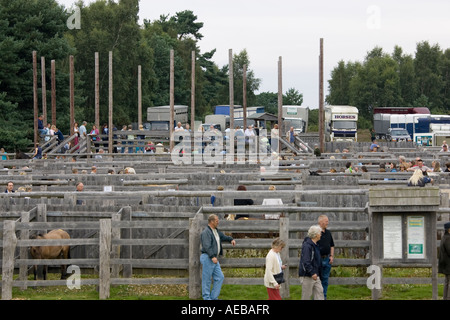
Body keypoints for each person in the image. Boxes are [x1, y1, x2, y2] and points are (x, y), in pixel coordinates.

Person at [200, 214, 236, 300]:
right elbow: (206, 246)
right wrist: (212, 256)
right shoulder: (206, 232)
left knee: (220, 277)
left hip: (214, 259)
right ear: (211, 221)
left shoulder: (215, 231)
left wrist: (231, 239)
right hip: (208, 258)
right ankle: (206, 298)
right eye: (216, 221)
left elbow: (223, 237)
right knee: (207, 279)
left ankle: (214, 297)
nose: (218, 222)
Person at [298, 225, 324, 300]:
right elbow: (306, 261)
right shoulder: (307, 246)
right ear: (316, 235)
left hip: (316, 275)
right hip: (307, 275)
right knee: (306, 296)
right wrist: (312, 272)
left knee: (320, 293)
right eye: (319, 233)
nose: (321, 234)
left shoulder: (316, 245)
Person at [317, 215, 334, 300]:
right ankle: (317, 297)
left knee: (325, 280)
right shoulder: (316, 233)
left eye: (327, 221)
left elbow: (332, 245)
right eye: (326, 221)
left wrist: (331, 256)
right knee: (317, 280)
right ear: (320, 222)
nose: (327, 222)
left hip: (327, 259)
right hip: (318, 259)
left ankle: (324, 297)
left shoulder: (328, 233)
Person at [438, 222, 450, 300]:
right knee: (448, 283)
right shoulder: (448, 238)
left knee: (447, 282)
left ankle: (445, 297)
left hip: (446, 264)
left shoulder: (444, 237)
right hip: (448, 265)